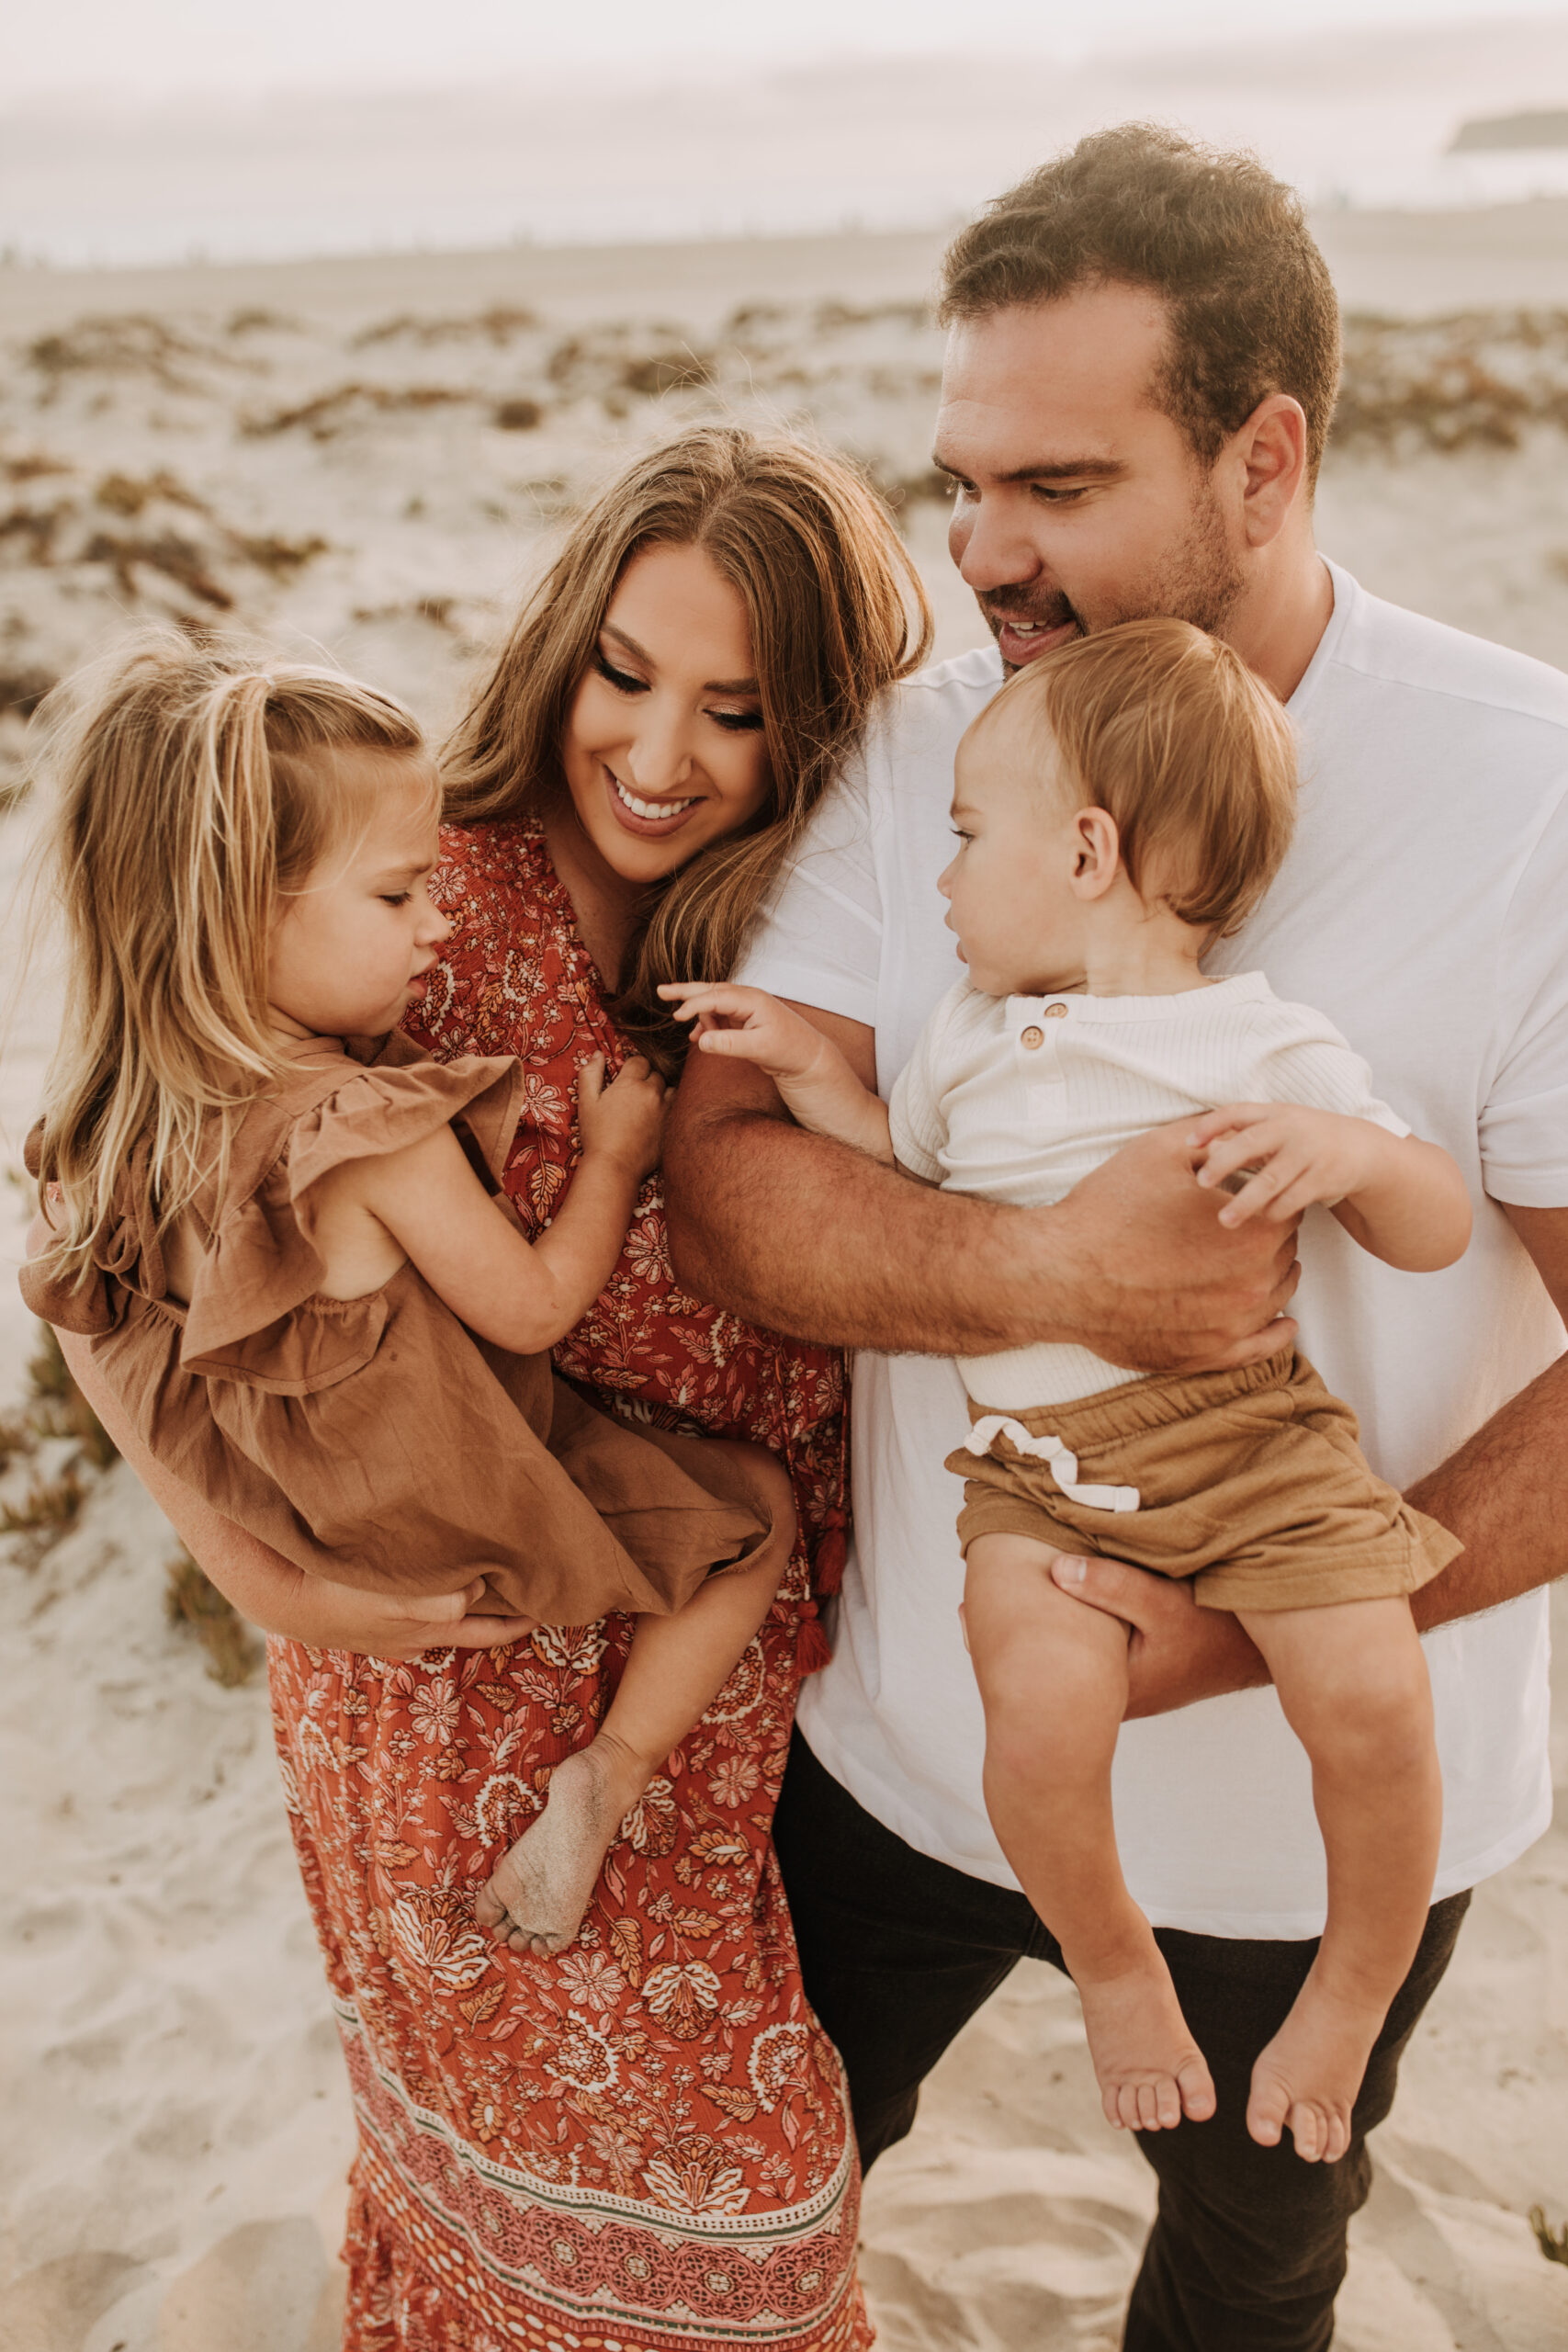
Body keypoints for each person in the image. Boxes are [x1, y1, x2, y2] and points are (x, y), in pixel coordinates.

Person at [663, 130, 1568, 2351]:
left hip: (1319, 1816)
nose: (978, 552)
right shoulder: (921, 749)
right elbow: (727, 1176)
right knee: (715, 2250)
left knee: (1248, 2280)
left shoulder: (1528, 794)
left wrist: (1266, 1623)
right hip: (908, 1737)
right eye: (958, 479)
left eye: (1054, 486)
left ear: (1260, 460)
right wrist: (1048, 1276)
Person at [44, 426, 931, 2352]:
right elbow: (105, 1233)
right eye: (625, 670)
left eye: (736, 708)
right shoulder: (401, 898)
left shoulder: (832, 924)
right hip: (456, 1688)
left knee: (755, 2201)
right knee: (643, 2227)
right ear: (560, 642)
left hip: (758, 1672)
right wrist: (246, 1566)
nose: (659, 752)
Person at [662, 614, 1471, 2165]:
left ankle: (1353, 1990)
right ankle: (1115, 1968)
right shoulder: (972, 1046)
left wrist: (1359, 1159)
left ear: (1089, 850)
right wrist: (810, 1074)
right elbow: (913, 1173)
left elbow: (1431, 1230)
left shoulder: (1261, 1040)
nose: (946, 881)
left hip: (1260, 1449)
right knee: (1030, 1710)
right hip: (1038, 1463)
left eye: (968, 838)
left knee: (1371, 1699)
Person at [22, 631, 802, 1962]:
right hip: (445, 1508)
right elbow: (537, 1309)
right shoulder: (365, 1132)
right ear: (241, 916)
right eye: (397, 897)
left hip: (306, 1522)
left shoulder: (127, 1122)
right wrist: (616, 1156)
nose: (438, 925)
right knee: (758, 1520)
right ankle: (603, 1780)